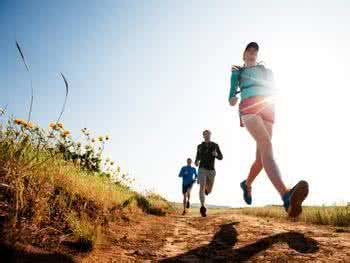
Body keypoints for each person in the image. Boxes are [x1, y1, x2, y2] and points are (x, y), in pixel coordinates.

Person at [228, 42, 309, 217]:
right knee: (266, 144)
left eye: (255, 51)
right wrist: (233, 99)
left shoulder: (266, 71)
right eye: (249, 51)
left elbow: (274, 90)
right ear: (244, 55)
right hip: (249, 106)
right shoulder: (238, 72)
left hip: (267, 107)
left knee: (261, 160)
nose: (252, 53)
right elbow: (231, 95)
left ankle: (247, 184)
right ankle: (286, 196)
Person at [195, 130, 223, 217]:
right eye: (205, 134)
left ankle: (207, 190)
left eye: (208, 134)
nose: (206, 135)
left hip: (211, 170)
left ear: (210, 135)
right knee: (202, 187)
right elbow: (197, 157)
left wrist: (216, 154)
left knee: (209, 190)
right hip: (202, 169)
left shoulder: (215, 145)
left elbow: (221, 157)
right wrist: (196, 162)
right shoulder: (199, 146)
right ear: (203, 136)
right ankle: (202, 207)